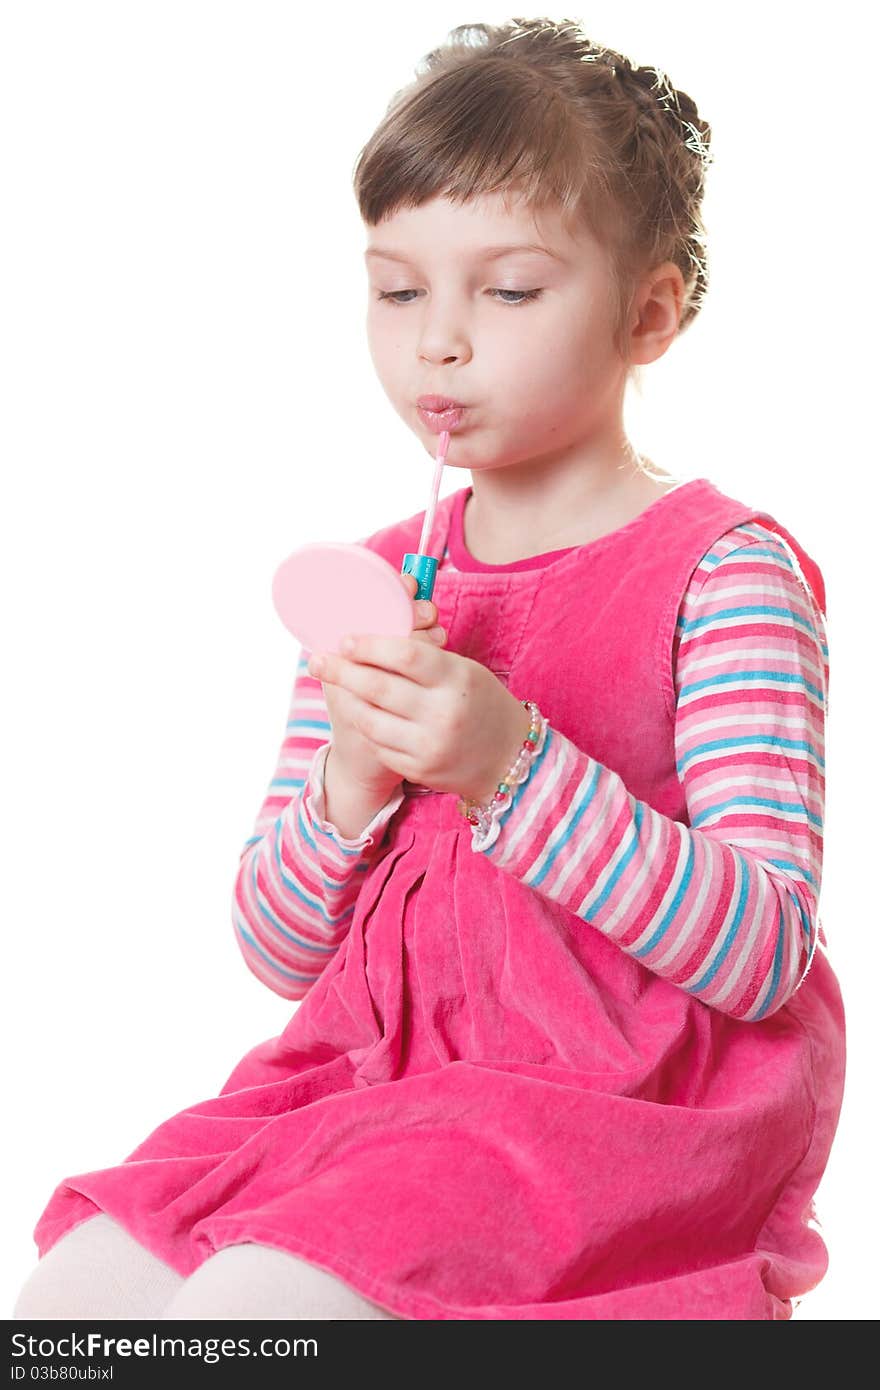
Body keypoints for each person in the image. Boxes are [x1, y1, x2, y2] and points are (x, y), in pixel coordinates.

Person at [14, 18, 845, 1321]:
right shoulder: (376, 578)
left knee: (258, 1310)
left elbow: (760, 953)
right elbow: (280, 950)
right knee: (73, 1304)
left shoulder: (721, 575)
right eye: (398, 290)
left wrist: (508, 765)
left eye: (506, 291)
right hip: (370, 1087)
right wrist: (351, 779)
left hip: (602, 1109)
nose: (436, 342)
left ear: (651, 312)